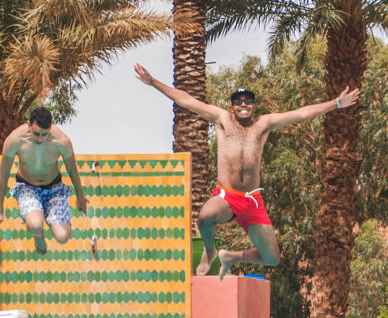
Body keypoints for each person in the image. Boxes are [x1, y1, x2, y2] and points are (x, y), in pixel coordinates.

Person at [134, 63, 360, 277]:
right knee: (205, 216)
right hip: (227, 196)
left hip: (252, 200)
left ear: (254, 105)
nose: (243, 104)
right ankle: (210, 250)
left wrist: (337, 103)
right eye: (238, 101)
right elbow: (186, 100)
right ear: (232, 106)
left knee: (271, 258)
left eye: (248, 100)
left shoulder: (264, 124)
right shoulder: (222, 119)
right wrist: (153, 81)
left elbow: (302, 113)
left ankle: (231, 256)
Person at [0, 107, 88, 254]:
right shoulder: (15, 140)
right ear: (29, 124)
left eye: (44, 134)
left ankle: (44, 219)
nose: (40, 139)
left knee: (63, 236)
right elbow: (4, 173)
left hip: (54, 188)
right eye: (36, 133)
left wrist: (80, 196)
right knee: (35, 224)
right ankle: (38, 236)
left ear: (50, 128)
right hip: (27, 187)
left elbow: (72, 169)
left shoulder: (61, 141)